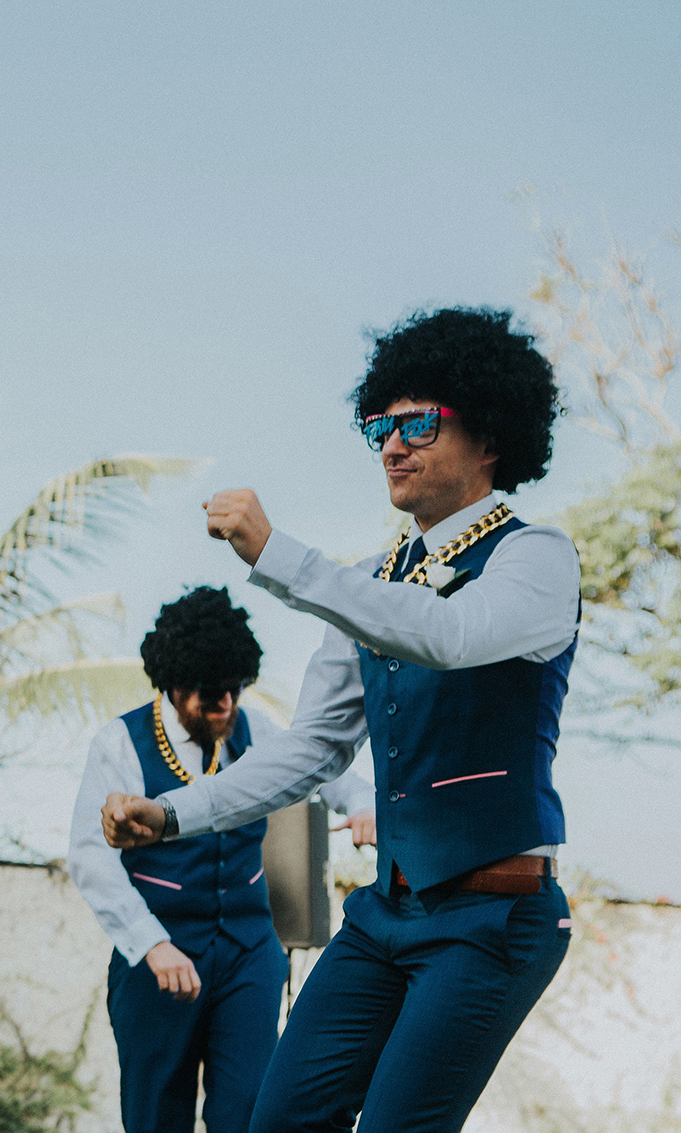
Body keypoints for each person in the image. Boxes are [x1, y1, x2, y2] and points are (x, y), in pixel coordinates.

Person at [100, 308, 578, 1133]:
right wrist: (171, 813)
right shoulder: (369, 581)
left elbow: (449, 633)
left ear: (491, 435)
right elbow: (311, 751)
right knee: (278, 1119)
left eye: (419, 423)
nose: (393, 445)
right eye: (380, 427)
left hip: (493, 916)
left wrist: (277, 553)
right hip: (384, 913)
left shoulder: (535, 558)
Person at [67, 586, 374, 1133]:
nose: (226, 704)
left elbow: (321, 767)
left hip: (249, 953)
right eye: (211, 694)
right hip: (159, 953)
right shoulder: (120, 743)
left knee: (250, 1111)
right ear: (173, 685)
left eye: (235, 689)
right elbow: (91, 858)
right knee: (155, 1115)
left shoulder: (256, 731)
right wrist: (152, 945)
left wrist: (364, 806)